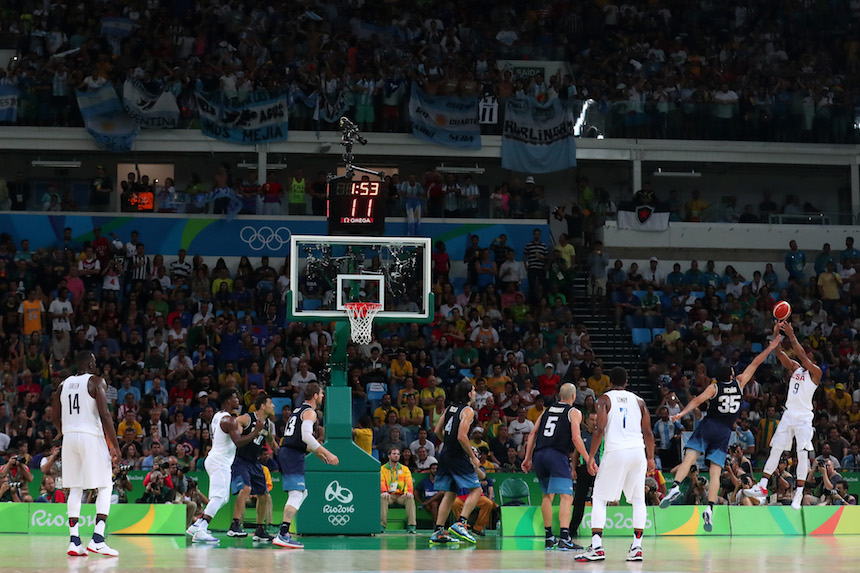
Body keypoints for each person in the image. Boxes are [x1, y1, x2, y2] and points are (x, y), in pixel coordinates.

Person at [659, 331, 782, 531]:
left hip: (709, 426)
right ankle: (709, 507)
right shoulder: (740, 383)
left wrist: (681, 414)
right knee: (715, 472)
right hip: (725, 432)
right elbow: (756, 362)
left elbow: (697, 400)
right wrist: (772, 346)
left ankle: (674, 488)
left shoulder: (714, 388)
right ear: (732, 375)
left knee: (689, 458)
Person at [575, 367, 655, 563]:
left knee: (600, 499)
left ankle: (596, 547)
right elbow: (648, 433)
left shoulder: (604, 399)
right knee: (638, 500)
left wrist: (591, 456)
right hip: (638, 452)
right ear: (627, 383)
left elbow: (599, 428)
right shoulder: (640, 401)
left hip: (616, 452)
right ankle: (636, 547)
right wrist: (651, 457)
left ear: (610, 382)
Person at [744, 321, 821, 510]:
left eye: (809, 357)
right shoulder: (795, 368)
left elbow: (802, 355)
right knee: (776, 449)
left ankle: (799, 492)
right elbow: (779, 354)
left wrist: (792, 335)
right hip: (789, 414)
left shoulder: (816, 373)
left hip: (804, 417)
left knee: (802, 455)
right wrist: (776, 333)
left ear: (814, 361)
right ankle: (762, 486)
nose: (805, 358)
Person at [52, 351, 121, 557]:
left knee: (75, 488)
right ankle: (98, 539)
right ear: (91, 363)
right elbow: (105, 414)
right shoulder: (96, 381)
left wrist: (63, 431)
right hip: (90, 435)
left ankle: (74, 542)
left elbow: (55, 416)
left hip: (70, 437)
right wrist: (115, 446)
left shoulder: (62, 385)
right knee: (106, 485)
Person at [185, 388, 264, 543]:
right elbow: (239, 442)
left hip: (217, 460)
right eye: (235, 398)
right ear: (228, 400)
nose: (238, 400)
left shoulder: (217, 415)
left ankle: (198, 524)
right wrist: (256, 432)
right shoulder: (229, 420)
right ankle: (201, 530)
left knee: (224, 498)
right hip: (219, 461)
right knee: (219, 497)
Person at [521, 383, 589, 551]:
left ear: (560, 396)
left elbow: (532, 433)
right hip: (557, 455)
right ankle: (565, 538)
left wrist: (527, 457)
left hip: (539, 455)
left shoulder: (546, 410)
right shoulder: (574, 412)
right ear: (573, 397)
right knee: (567, 497)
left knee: (547, 496)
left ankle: (549, 537)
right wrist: (588, 458)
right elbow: (575, 438)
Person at [274, 382, 339, 548]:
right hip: (291, 454)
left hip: (289, 452)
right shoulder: (310, 412)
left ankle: (283, 532)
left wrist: (318, 453)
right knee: (296, 493)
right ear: (316, 395)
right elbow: (306, 437)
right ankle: (282, 533)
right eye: (322, 393)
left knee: (302, 493)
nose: (323, 396)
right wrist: (328, 453)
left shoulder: (298, 410)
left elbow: (300, 439)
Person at [429, 380, 483, 545]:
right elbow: (461, 436)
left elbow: (437, 430)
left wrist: (448, 443)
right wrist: (473, 457)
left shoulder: (450, 408)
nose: (474, 393)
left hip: (445, 454)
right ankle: (461, 523)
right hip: (458, 456)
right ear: (468, 394)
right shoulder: (468, 411)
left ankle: (438, 532)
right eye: (473, 391)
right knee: (476, 490)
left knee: (451, 492)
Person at [227, 393, 277, 541]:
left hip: (255, 463)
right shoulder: (246, 419)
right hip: (241, 461)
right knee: (246, 489)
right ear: (263, 405)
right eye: (270, 403)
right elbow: (237, 439)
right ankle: (234, 525)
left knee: (264, 495)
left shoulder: (268, 424)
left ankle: (260, 530)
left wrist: (283, 453)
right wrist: (255, 431)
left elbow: (271, 442)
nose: (273, 406)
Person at [380, 447, 417, 533]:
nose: (396, 456)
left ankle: (411, 526)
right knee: (383, 498)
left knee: (410, 498)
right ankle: (382, 525)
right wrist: (384, 491)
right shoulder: (383, 469)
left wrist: (408, 492)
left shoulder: (405, 469)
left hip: (401, 495)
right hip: (389, 495)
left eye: (398, 454)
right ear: (389, 456)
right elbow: (381, 481)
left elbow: (409, 481)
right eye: (394, 454)